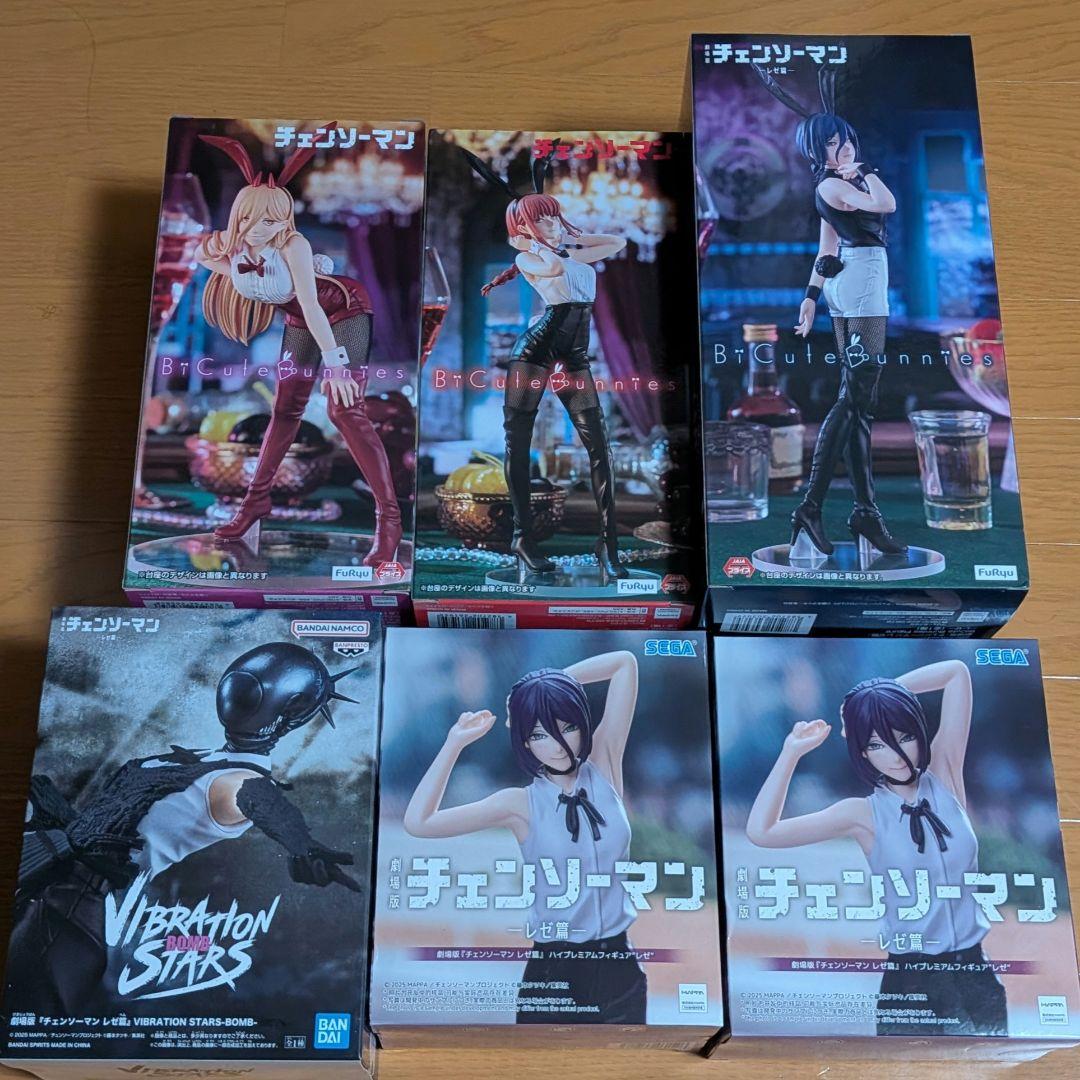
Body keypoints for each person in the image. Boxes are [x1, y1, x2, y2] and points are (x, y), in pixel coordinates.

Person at [10, 643, 361, 1013]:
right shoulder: (202, 760)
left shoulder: (236, 781)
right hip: (45, 878)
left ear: (290, 710)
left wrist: (301, 845)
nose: (237, 691)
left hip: (68, 918)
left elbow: (259, 799)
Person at [747, 659, 1007, 1035]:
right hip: (911, 983)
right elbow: (762, 831)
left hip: (974, 973)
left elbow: (956, 673)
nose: (895, 754)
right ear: (863, 752)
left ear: (918, 733)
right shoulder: (862, 813)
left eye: (904, 736)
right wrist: (791, 753)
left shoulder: (945, 775)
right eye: (875, 743)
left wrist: (874, 699)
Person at [403, 650, 646, 1023]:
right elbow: (419, 822)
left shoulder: (604, 766)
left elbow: (624, 663)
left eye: (567, 726)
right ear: (526, 742)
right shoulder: (519, 804)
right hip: (555, 971)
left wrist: (543, 688)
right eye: (539, 733)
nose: (557, 744)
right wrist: (454, 744)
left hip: (619, 967)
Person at [194, 130, 401, 564]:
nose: (260, 228)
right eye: (252, 219)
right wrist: (213, 245)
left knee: (344, 409)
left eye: (271, 221)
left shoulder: (294, 244)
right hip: (301, 319)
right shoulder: (238, 251)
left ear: (285, 220)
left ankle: (389, 519)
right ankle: (255, 503)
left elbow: (311, 303)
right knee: (285, 408)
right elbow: (207, 257)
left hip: (342, 309)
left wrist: (337, 365)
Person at [755, 66, 904, 557]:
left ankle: (865, 512)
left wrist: (810, 297)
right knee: (856, 397)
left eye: (846, 141)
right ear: (817, 152)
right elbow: (886, 204)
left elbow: (826, 248)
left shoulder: (828, 190)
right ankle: (810, 507)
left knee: (859, 403)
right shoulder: (835, 187)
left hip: (849, 283)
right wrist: (865, 170)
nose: (844, 149)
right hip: (863, 285)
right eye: (833, 145)